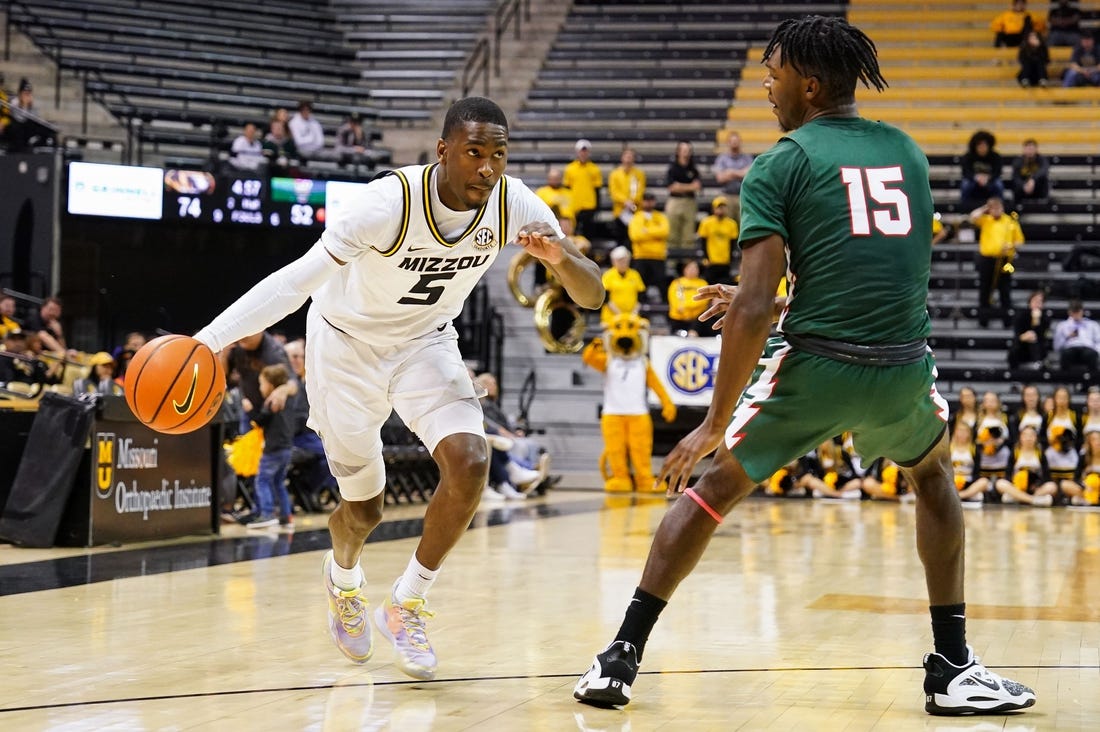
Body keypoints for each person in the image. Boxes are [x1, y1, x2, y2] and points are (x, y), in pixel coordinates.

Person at [573, 16, 1036, 716]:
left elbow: (753, 307)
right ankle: (953, 666)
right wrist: (786, 302)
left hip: (815, 369)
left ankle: (620, 657)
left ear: (810, 85)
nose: (765, 83)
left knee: (712, 487)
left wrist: (713, 422)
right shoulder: (908, 152)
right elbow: (874, 274)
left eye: (774, 71)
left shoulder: (781, 162)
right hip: (901, 369)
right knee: (934, 476)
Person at [193, 97, 603, 678]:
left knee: (470, 460)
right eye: (474, 152)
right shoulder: (387, 204)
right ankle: (344, 580)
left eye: (499, 155)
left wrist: (560, 257)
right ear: (443, 152)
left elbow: (592, 296)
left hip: (425, 343)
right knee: (364, 509)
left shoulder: (515, 204)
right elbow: (295, 283)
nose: (488, 167)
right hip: (344, 346)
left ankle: (405, 602)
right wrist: (207, 340)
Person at [240, 363, 296, 528]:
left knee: (262, 480)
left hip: (272, 449)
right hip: (286, 448)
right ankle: (286, 516)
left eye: (261, 383)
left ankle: (266, 514)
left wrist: (249, 410)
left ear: (270, 384)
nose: (260, 387)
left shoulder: (272, 400)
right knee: (279, 482)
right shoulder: (288, 400)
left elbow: (259, 421)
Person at [970, 196, 1024, 328]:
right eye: (992, 208)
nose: (995, 211)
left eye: (998, 208)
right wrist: (985, 208)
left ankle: (1007, 321)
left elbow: (1020, 241)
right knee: (985, 290)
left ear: (1002, 208)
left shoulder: (1010, 221)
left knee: (1005, 290)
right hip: (987, 260)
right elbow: (972, 216)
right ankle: (984, 321)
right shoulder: (985, 220)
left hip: (1005, 260)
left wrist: (1011, 246)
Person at [627, 191, 670, 301]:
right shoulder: (637, 217)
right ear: (642, 202)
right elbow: (635, 235)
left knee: (662, 286)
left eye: (651, 200)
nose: (648, 203)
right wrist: (655, 235)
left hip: (658, 256)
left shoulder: (660, 216)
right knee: (641, 287)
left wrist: (646, 231)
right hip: (641, 256)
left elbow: (665, 231)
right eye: (646, 200)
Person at [664, 140, 702, 251]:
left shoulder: (693, 169)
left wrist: (680, 186)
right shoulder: (673, 168)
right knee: (672, 234)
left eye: (688, 150)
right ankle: (672, 265)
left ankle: (687, 265)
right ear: (678, 152)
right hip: (675, 201)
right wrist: (690, 186)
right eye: (684, 150)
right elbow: (671, 187)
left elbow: (698, 186)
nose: (686, 152)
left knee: (688, 236)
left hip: (690, 202)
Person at [711, 131, 754, 222]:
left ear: (740, 142)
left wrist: (730, 172)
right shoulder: (722, 158)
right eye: (732, 141)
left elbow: (749, 175)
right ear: (728, 142)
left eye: (736, 141)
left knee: (743, 224)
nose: (734, 143)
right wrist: (740, 173)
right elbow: (720, 178)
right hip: (727, 197)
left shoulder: (747, 158)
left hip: (743, 197)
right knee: (727, 224)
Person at [563, 139, 603, 237]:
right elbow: (566, 189)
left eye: (585, 151)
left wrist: (597, 207)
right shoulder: (570, 169)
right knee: (573, 232)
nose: (583, 154)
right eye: (581, 151)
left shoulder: (594, 169)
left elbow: (597, 189)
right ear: (577, 152)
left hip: (589, 205)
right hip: (574, 205)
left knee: (589, 233)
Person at [696, 195, 740, 284]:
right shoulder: (706, 222)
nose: (721, 210)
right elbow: (703, 242)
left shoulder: (731, 224)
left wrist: (731, 260)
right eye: (719, 207)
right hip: (711, 262)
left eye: (723, 207)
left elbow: (733, 243)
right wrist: (705, 258)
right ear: (713, 209)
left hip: (725, 262)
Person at [608, 147, 645, 247]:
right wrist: (625, 201)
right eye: (626, 156)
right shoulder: (615, 174)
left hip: (635, 212)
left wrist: (632, 202)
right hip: (619, 212)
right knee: (620, 240)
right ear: (622, 158)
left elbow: (640, 191)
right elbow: (613, 192)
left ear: (634, 159)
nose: (628, 159)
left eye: (631, 156)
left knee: (633, 240)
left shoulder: (639, 174)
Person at [601, 245, 646, 325]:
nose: (623, 263)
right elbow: (605, 298)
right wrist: (620, 315)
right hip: (611, 317)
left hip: (633, 316)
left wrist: (634, 313)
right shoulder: (608, 275)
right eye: (619, 260)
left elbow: (641, 295)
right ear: (613, 261)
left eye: (625, 260)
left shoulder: (635, 274)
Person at [959, 130, 1004, 210]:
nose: (982, 148)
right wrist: (976, 177)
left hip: (990, 181)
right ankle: (964, 209)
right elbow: (965, 172)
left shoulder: (995, 156)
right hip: (973, 181)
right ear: (975, 146)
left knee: (999, 185)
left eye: (985, 145)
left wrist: (988, 178)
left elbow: (998, 172)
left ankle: (999, 209)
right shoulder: (968, 156)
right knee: (965, 185)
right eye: (980, 145)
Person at [1053, 299, 1100, 372]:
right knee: (1066, 354)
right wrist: (1067, 337)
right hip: (1070, 349)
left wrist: (1096, 351)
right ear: (1069, 312)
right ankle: (1065, 381)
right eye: (1074, 311)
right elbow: (1057, 347)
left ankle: (1093, 382)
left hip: (1087, 349)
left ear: (1082, 311)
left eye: (1078, 311)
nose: (1076, 314)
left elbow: (1098, 341)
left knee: (1092, 354)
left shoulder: (1092, 324)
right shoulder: (1062, 326)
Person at [1008, 290, 1050, 369]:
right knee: (1014, 349)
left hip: (1037, 347)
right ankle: (1014, 373)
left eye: (1040, 301)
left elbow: (1042, 337)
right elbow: (1017, 334)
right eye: (1035, 300)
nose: (1037, 303)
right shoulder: (1021, 315)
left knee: (1035, 342)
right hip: (1022, 345)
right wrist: (1024, 336)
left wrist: (1036, 320)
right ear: (1030, 302)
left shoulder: (1045, 318)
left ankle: (1038, 364)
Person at [666, 259, 708, 336]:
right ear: (684, 269)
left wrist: (685, 306)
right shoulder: (676, 283)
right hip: (678, 318)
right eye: (690, 268)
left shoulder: (703, 283)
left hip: (696, 320)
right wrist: (683, 307)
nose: (692, 270)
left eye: (695, 268)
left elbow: (703, 300)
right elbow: (673, 300)